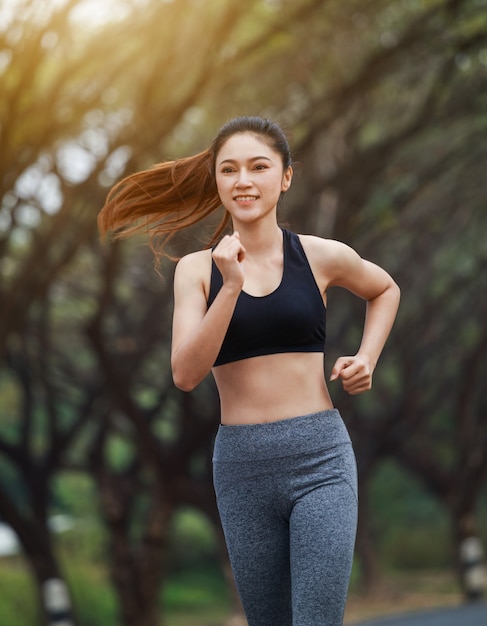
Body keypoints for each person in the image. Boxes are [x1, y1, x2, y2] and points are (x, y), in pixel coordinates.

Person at [98, 116, 400, 626]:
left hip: (320, 458)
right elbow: (185, 374)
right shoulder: (195, 271)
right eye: (229, 170)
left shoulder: (320, 255)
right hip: (242, 468)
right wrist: (231, 285)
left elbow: (385, 289)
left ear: (284, 177)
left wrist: (367, 356)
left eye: (259, 167)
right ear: (216, 182)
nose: (244, 181)